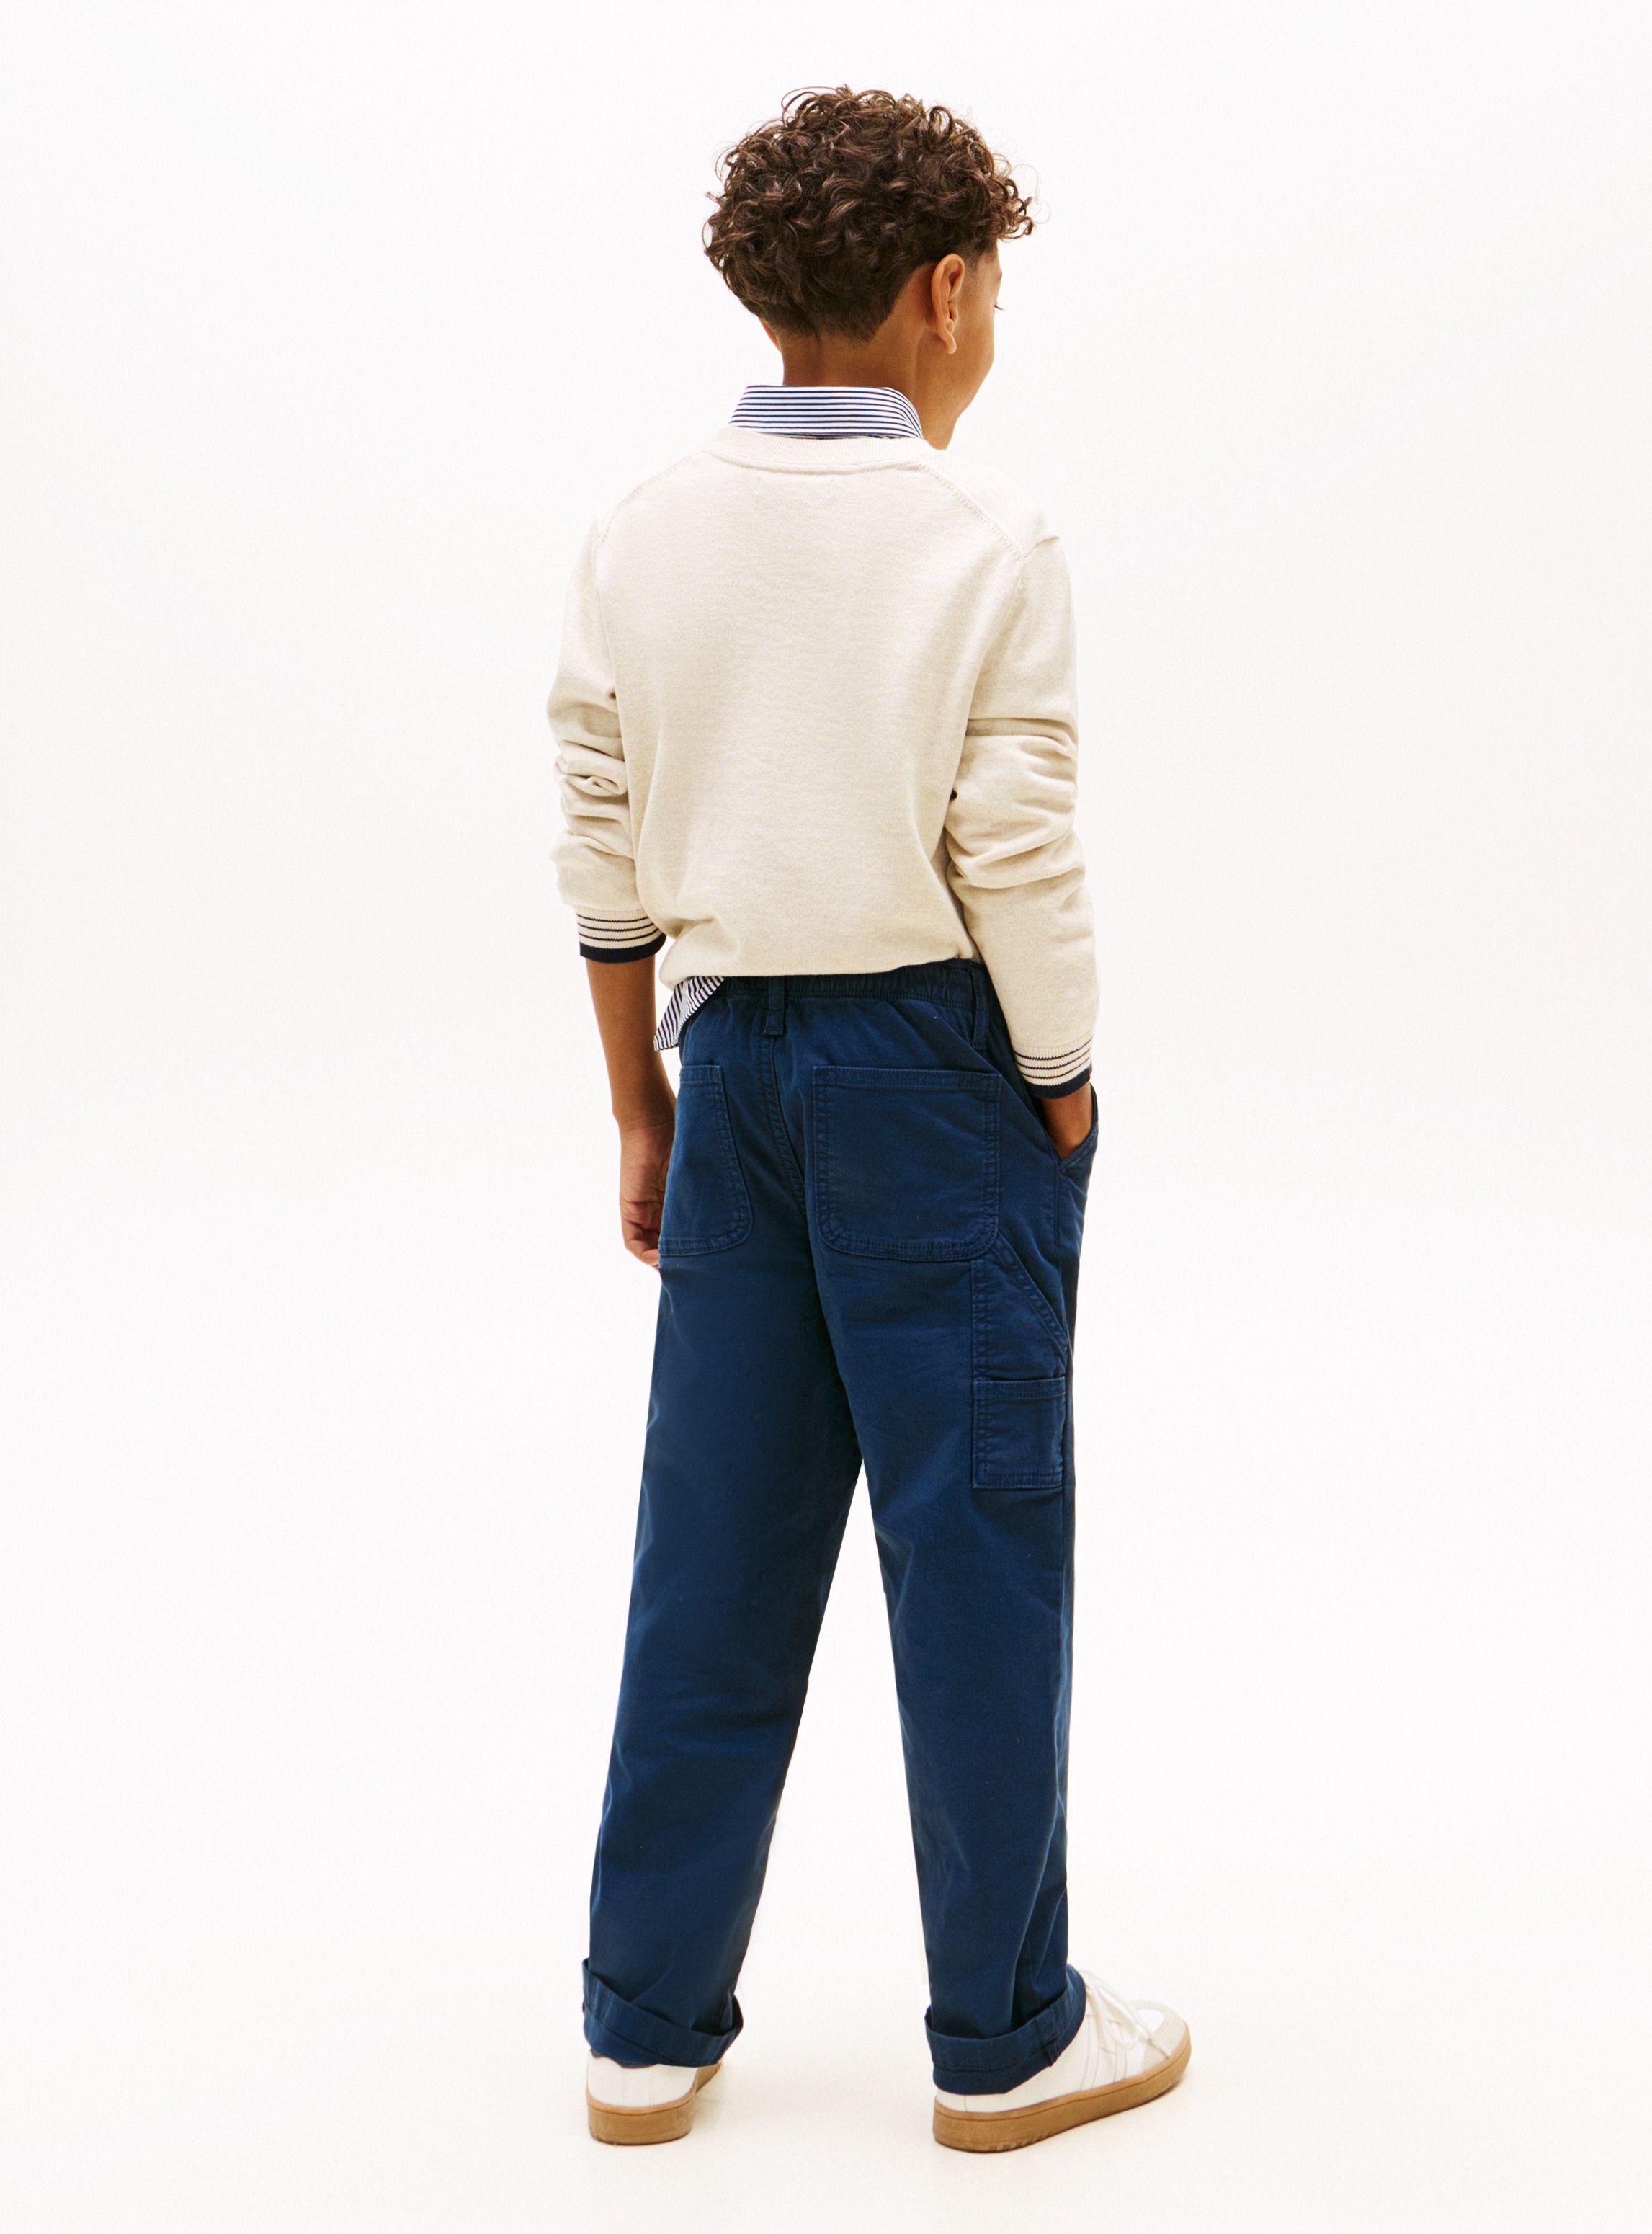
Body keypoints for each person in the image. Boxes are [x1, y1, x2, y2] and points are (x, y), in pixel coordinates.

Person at [546, 85, 1188, 2153]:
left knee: (714, 1554)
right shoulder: (984, 540)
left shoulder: (645, 533)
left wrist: (641, 1106)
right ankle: (1005, 2033)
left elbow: (603, 837)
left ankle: (644, 2028)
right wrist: (1061, 1075)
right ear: (949, 289)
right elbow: (1015, 843)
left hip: (731, 1068)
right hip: (938, 1075)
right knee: (976, 1548)